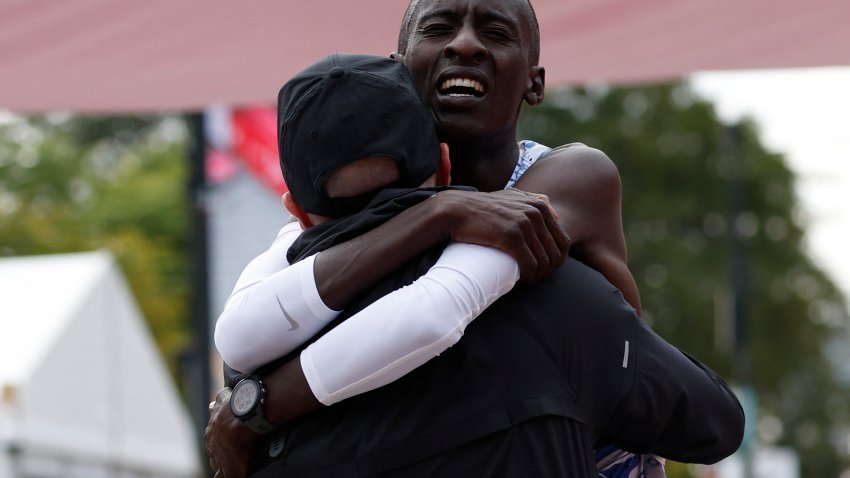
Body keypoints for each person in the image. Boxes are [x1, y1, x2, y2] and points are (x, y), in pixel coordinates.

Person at [206, 1, 744, 476]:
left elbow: (436, 306)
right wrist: (442, 211)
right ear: (399, 70)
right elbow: (245, 324)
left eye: (496, 32)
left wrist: (255, 411)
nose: (465, 43)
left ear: (534, 82)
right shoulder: (346, 229)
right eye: (440, 27)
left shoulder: (567, 178)